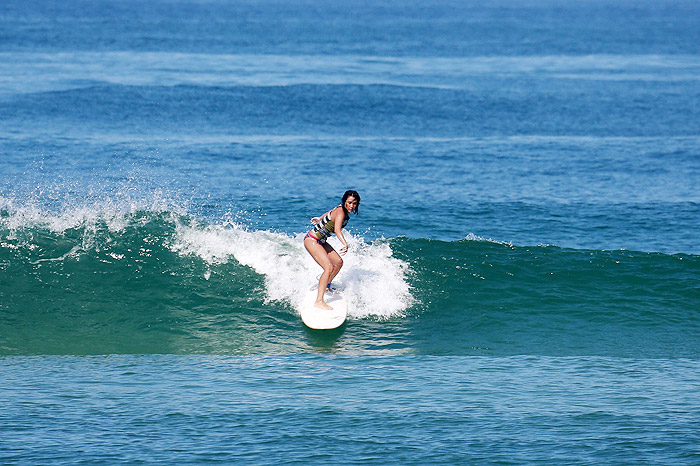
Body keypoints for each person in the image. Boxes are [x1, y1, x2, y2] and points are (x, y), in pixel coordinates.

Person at [304, 190, 360, 310]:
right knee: (328, 267)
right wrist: (345, 243)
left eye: (354, 203)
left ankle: (327, 285)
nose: (351, 206)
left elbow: (330, 212)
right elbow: (337, 230)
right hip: (312, 240)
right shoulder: (341, 212)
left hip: (321, 241)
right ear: (344, 201)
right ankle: (319, 301)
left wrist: (320, 218)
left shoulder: (340, 209)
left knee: (338, 263)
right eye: (349, 202)